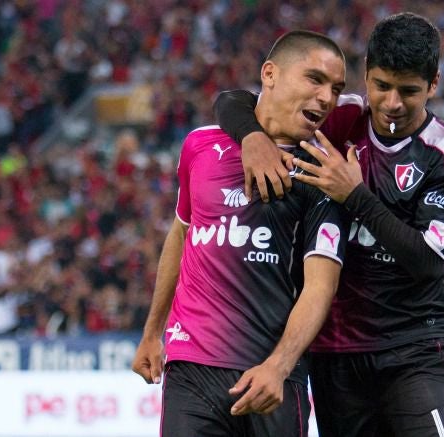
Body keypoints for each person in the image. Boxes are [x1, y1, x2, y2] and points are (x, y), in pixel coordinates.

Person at [214, 12, 444, 437]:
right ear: (366, 75)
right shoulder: (342, 119)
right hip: (336, 356)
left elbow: (428, 261)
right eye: (381, 86)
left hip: (415, 350)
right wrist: (253, 139)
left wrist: (354, 196)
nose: (392, 103)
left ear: (433, 84)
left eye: (408, 91)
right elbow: (232, 100)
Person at [131, 30, 349, 437]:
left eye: (335, 89)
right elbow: (181, 235)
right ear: (270, 73)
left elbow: (321, 285)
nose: (326, 98)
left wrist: (279, 367)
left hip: (269, 376)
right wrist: (151, 333)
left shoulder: (323, 173)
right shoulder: (199, 146)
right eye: (314, 79)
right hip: (191, 371)